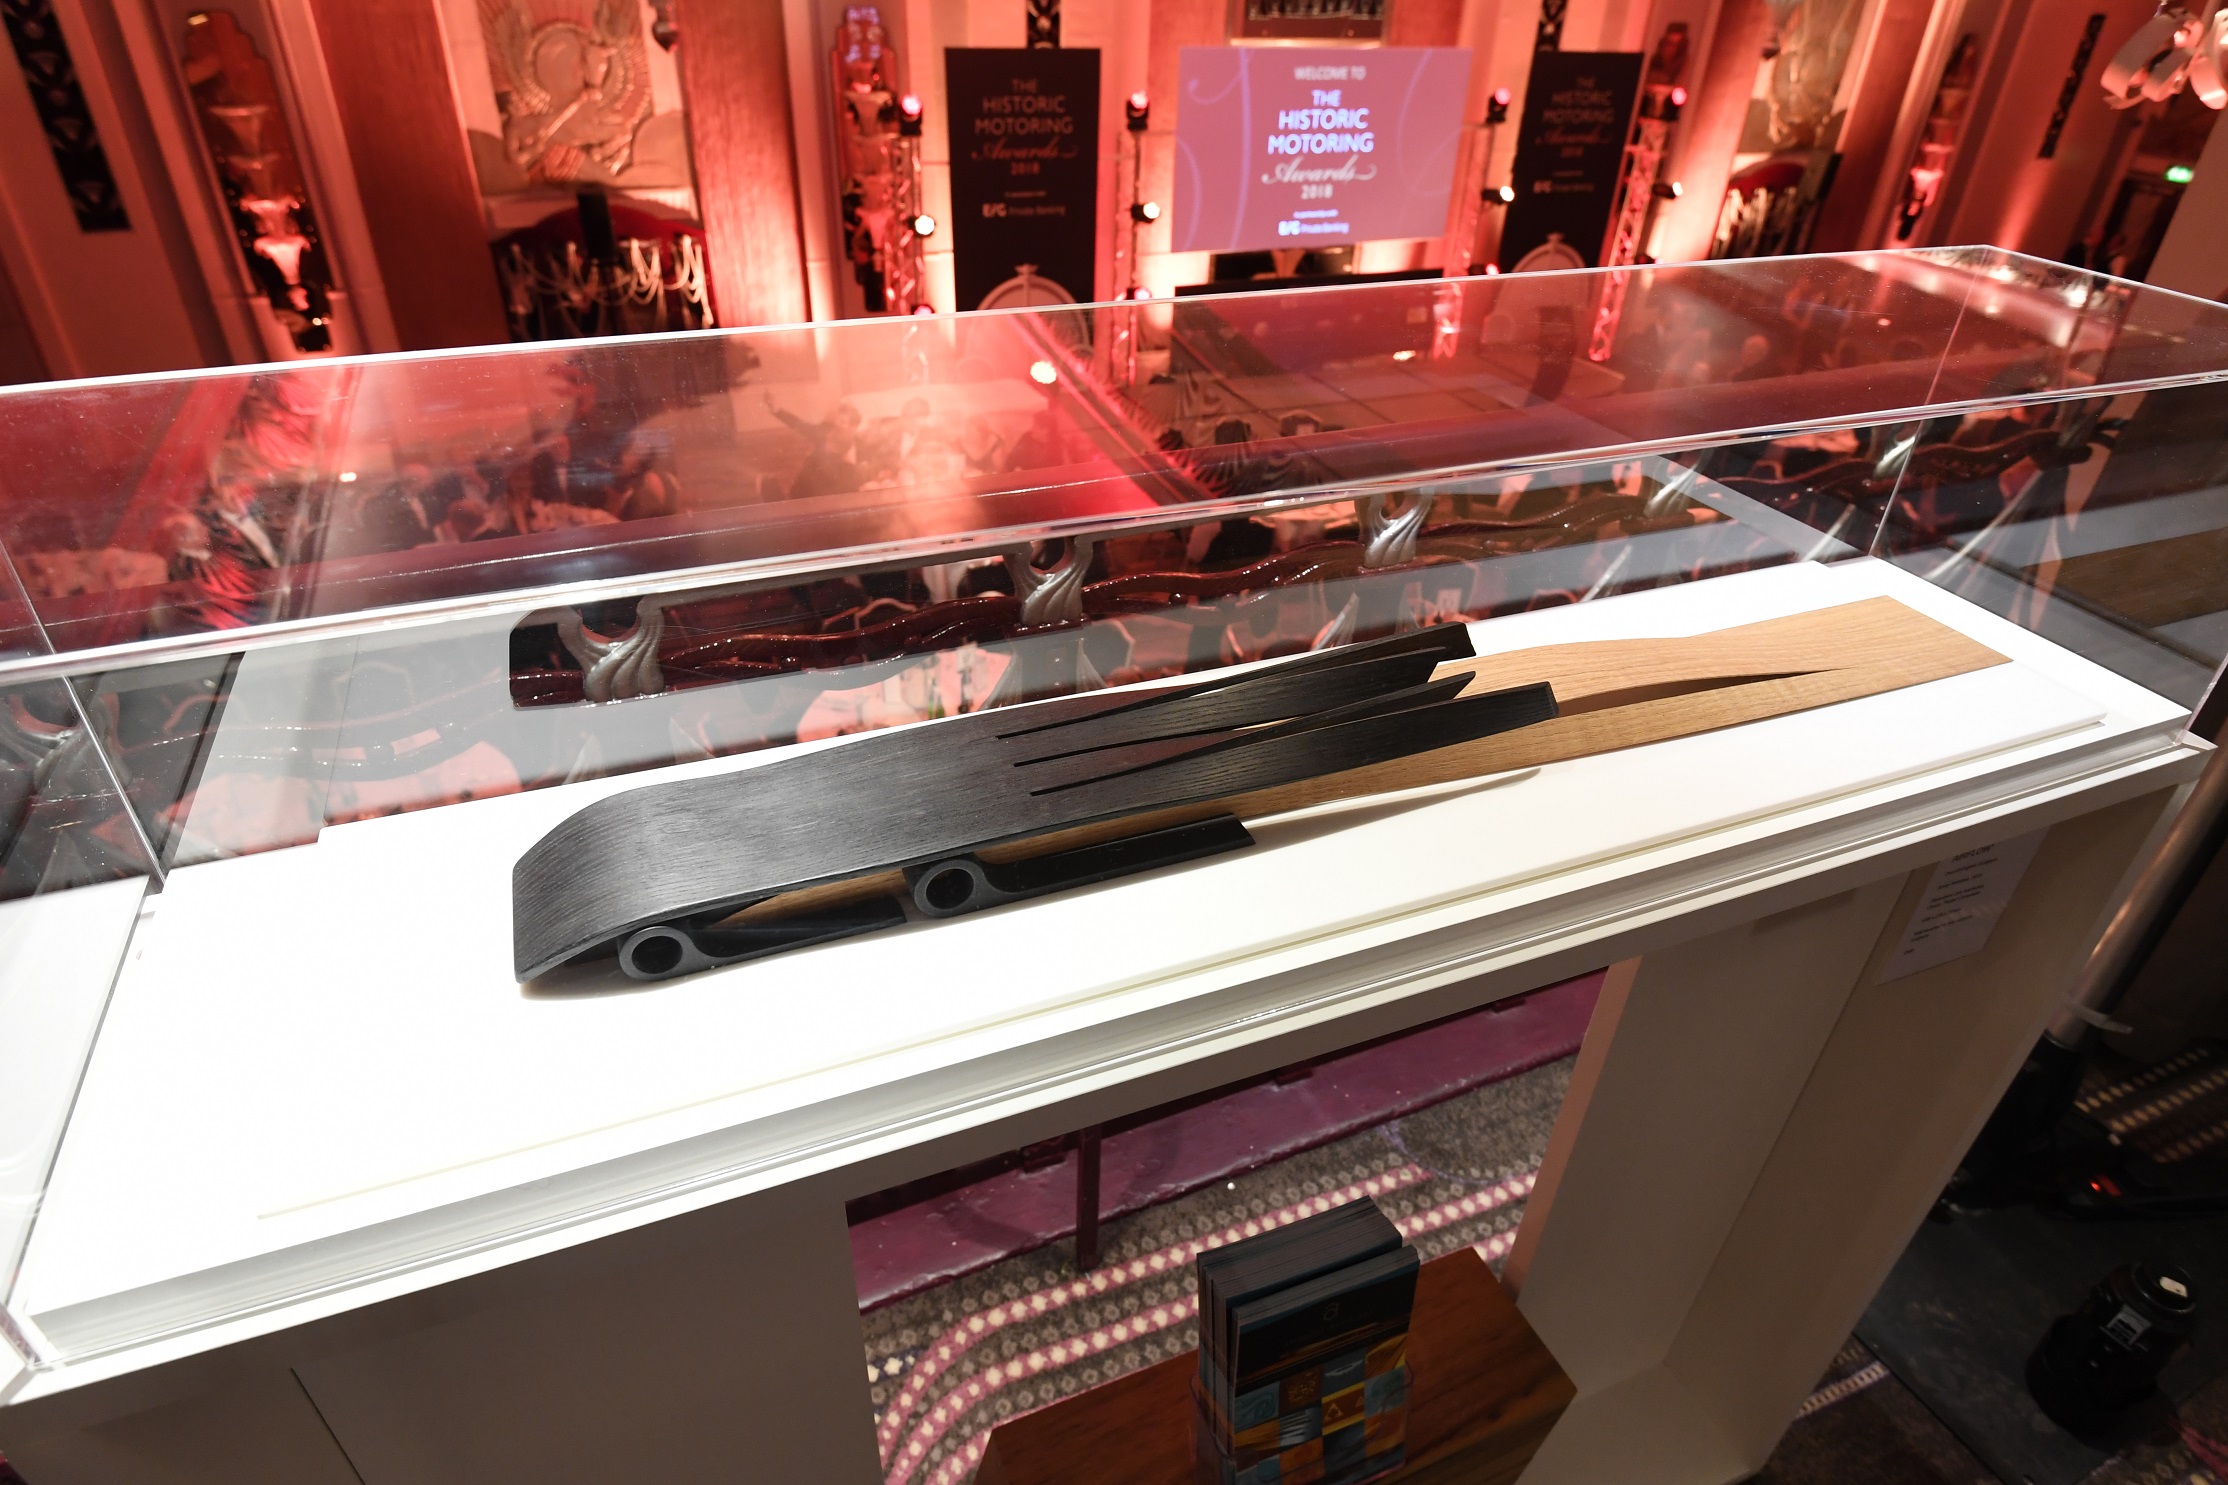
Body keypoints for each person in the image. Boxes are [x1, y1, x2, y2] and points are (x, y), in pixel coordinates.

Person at [767, 392, 864, 498]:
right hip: (809, 485)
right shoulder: (825, 432)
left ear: (853, 427)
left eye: (843, 421)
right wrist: (776, 410)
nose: (837, 423)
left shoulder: (860, 446)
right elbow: (800, 425)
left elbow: (857, 478)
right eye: (838, 419)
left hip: (835, 492)